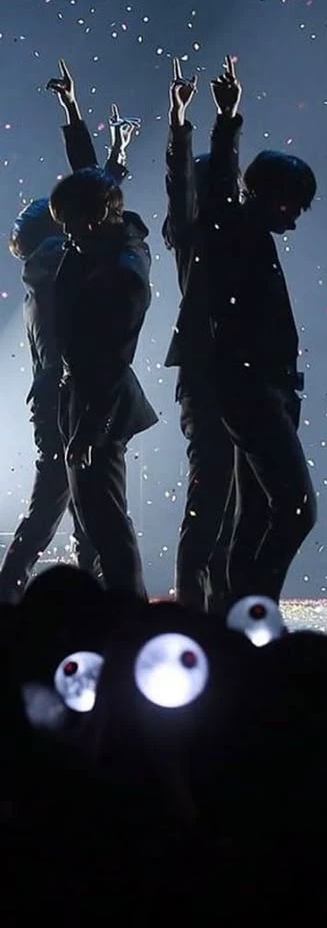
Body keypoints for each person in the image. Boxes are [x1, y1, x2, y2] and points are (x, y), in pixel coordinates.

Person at [0, 61, 136, 602]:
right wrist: (104, 152)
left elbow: (94, 199)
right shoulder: (56, 262)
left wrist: (107, 151)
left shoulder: (43, 269)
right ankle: (16, 589)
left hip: (59, 399)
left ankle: (51, 587)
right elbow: (94, 200)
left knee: (76, 504)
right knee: (65, 503)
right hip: (67, 401)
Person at [203, 55, 318, 603]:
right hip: (250, 391)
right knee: (296, 509)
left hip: (266, 389)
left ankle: (239, 615)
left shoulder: (254, 234)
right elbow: (220, 185)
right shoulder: (234, 227)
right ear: (270, 194)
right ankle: (256, 609)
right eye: (293, 205)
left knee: (253, 517)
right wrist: (227, 120)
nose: (295, 217)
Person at [49, 164, 157, 597]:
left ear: (93, 219)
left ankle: (127, 611)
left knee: (105, 521)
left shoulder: (122, 273)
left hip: (100, 404)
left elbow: (113, 358)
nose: (66, 232)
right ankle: (114, 609)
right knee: (96, 518)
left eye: (69, 221)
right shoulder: (101, 250)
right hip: (85, 398)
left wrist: (90, 428)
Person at [163, 58, 237, 612]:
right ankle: (193, 611)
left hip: (236, 375)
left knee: (231, 505)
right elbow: (182, 184)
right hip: (208, 378)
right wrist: (190, 122)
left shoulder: (237, 238)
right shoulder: (193, 234)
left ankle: (217, 608)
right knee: (210, 498)